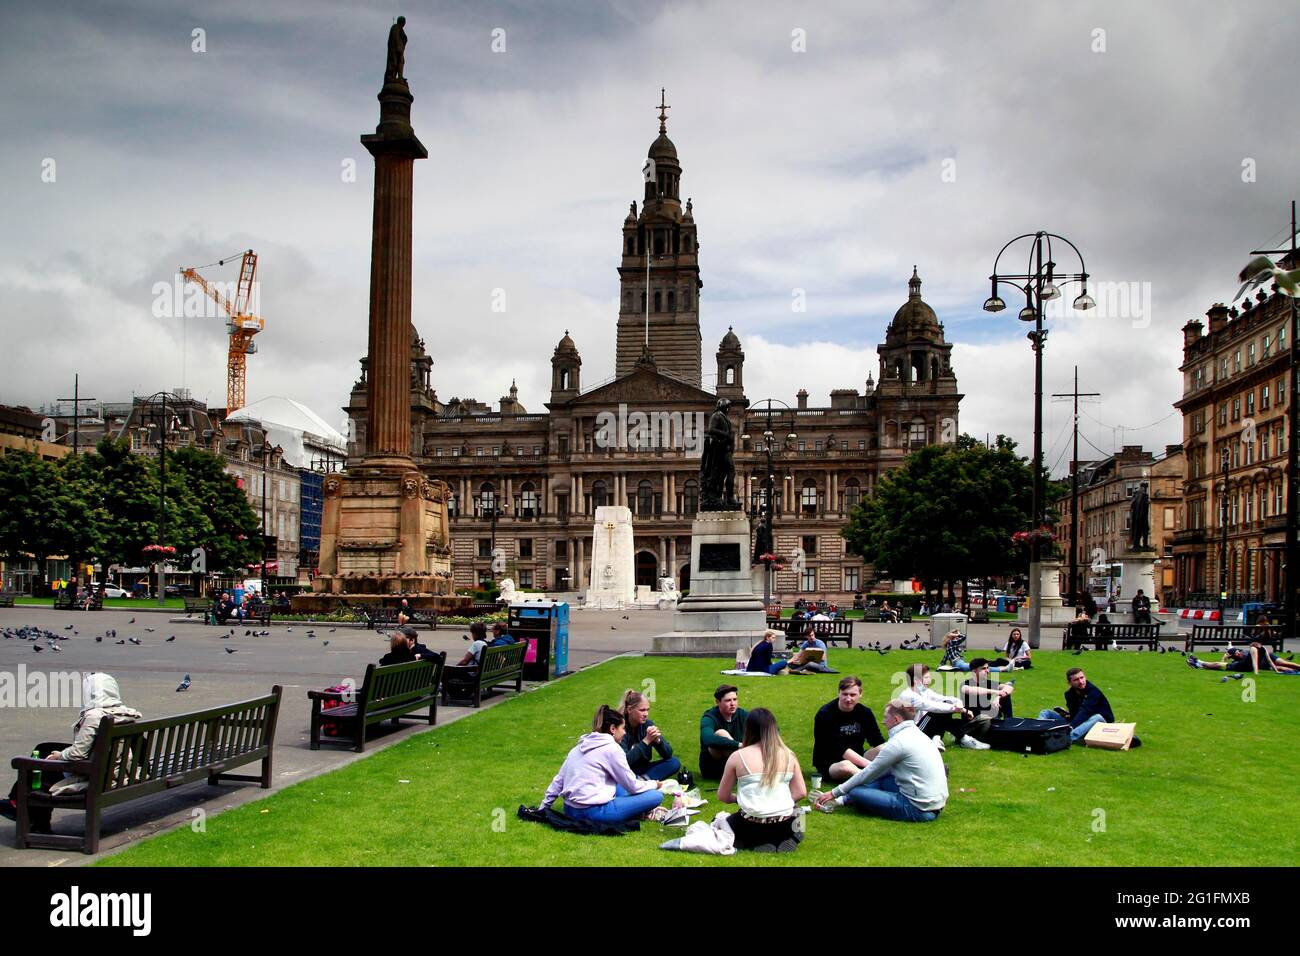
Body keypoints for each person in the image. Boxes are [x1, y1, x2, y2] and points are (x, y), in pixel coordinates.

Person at [0, 674, 143, 832]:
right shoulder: (124, 712)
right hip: (113, 769)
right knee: (44, 748)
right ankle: (20, 807)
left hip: (95, 774)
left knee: (37, 771)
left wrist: (59, 756)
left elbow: (77, 755)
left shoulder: (95, 716)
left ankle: (32, 819)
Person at [812, 701, 947, 822]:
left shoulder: (898, 743)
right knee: (881, 780)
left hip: (918, 809)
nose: (883, 721)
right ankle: (844, 800)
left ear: (896, 719)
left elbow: (870, 772)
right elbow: (880, 773)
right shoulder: (918, 735)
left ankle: (845, 799)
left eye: (885, 717)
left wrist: (834, 792)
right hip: (935, 802)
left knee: (855, 792)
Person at [539, 705, 665, 823]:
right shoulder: (613, 749)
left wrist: (543, 807)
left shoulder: (579, 746)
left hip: (570, 809)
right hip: (594, 811)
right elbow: (632, 786)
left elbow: (558, 781)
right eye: (622, 728)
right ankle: (635, 809)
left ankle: (632, 807)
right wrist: (654, 784)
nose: (625, 732)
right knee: (655, 796)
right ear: (612, 729)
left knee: (620, 785)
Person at [717, 707, 807, 852]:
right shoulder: (789, 754)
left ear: (748, 729)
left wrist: (740, 798)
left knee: (723, 820)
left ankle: (747, 841)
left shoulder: (738, 756)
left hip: (751, 824)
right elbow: (801, 792)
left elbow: (723, 796)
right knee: (799, 812)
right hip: (783, 824)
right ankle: (791, 837)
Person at [899, 662, 991, 749]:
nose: (930, 680)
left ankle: (938, 739)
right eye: (926, 678)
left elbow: (945, 699)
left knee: (945, 707)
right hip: (912, 733)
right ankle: (963, 739)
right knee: (938, 711)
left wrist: (958, 702)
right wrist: (963, 710)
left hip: (923, 728)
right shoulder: (909, 695)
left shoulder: (924, 691)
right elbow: (933, 706)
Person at [812, 676, 885, 783]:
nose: (848, 699)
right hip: (831, 763)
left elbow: (877, 740)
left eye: (853, 695)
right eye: (845, 694)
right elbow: (840, 749)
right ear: (839, 693)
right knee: (846, 766)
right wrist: (871, 766)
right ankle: (874, 780)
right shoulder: (825, 714)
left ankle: (897, 775)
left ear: (860, 694)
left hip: (858, 756)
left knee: (884, 749)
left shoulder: (865, 712)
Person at [1037, 668, 1115, 744]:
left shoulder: (1093, 692)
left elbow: (1085, 711)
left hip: (1100, 723)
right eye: (1076, 680)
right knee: (1046, 712)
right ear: (1069, 683)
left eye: (1082, 678)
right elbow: (1075, 713)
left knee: (1097, 717)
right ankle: (1038, 732)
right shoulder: (1069, 694)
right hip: (1080, 722)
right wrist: (1067, 715)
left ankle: (1068, 738)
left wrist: (1071, 726)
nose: (1081, 682)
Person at [618, 689, 681, 781]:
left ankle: (643, 780)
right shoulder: (619, 729)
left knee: (674, 762)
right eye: (642, 710)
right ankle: (640, 781)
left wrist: (658, 741)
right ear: (629, 709)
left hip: (643, 768)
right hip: (625, 770)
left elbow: (668, 754)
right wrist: (646, 741)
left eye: (647, 710)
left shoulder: (647, 724)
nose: (646, 714)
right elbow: (624, 762)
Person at [700, 685, 748, 779]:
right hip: (714, 767)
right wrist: (739, 745)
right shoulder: (709, 717)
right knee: (721, 733)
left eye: (735, 699)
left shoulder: (742, 714)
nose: (732, 704)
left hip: (737, 763)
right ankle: (748, 768)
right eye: (728, 700)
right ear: (718, 702)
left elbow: (766, 727)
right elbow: (707, 739)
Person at [1188, 642, 1300, 674]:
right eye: (1236, 653)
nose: (1238, 652)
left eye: (1238, 651)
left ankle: (1198, 663)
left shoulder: (1253, 650)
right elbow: (1255, 663)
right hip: (1259, 664)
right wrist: (1225, 656)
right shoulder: (1241, 659)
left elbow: (1267, 659)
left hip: (1264, 661)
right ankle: (1199, 663)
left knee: (1284, 663)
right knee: (1281, 667)